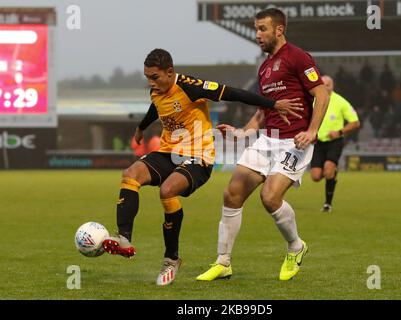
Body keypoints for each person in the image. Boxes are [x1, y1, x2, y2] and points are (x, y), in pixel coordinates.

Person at [101, 48, 303, 286]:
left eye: (154, 77)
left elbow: (234, 93)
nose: (150, 82)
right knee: (130, 175)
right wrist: (141, 127)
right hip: (169, 152)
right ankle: (124, 237)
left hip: (199, 158)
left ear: (170, 72)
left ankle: (171, 259)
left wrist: (273, 104)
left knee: (167, 191)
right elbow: (156, 108)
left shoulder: (190, 86)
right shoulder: (156, 91)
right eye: (147, 77)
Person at [196, 8, 329, 282]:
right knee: (232, 193)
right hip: (267, 139)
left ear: (279, 29)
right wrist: (242, 132)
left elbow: (322, 94)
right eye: (256, 29)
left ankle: (296, 246)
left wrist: (312, 130)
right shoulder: (265, 67)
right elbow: (263, 111)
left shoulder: (297, 56)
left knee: (269, 197)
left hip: (295, 142)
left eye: (262, 29)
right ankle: (223, 262)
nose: (258, 34)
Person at [310, 75, 360, 213]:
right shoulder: (313, 99)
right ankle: (331, 174)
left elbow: (355, 122)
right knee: (315, 176)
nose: (325, 87)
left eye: (328, 84)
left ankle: (327, 204)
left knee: (328, 169)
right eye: (323, 84)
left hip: (334, 142)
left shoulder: (341, 102)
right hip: (317, 142)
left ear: (332, 86)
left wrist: (339, 132)